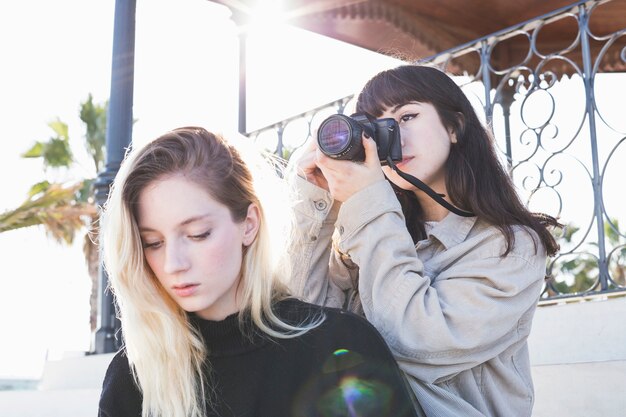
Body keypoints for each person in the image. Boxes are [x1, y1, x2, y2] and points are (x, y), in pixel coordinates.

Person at [286, 65, 561, 417]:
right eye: (375, 125)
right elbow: (301, 324)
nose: (390, 136)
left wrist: (369, 203)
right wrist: (316, 201)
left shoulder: (511, 246)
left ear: (455, 127)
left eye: (406, 116)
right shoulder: (365, 231)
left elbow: (415, 342)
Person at [97, 127, 419, 417]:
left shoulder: (340, 343)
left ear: (248, 225)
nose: (173, 264)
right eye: (152, 243)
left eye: (197, 234)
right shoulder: (134, 377)